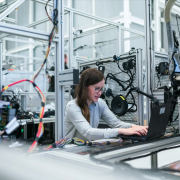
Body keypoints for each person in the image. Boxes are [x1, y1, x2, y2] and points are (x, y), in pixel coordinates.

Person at [65, 68, 148, 141]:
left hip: (87, 148)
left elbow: (116, 124)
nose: (100, 93)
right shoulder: (73, 106)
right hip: (72, 151)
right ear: (85, 87)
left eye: (101, 89)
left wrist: (135, 127)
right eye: (96, 89)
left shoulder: (100, 103)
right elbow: (88, 132)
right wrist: (121, 131)